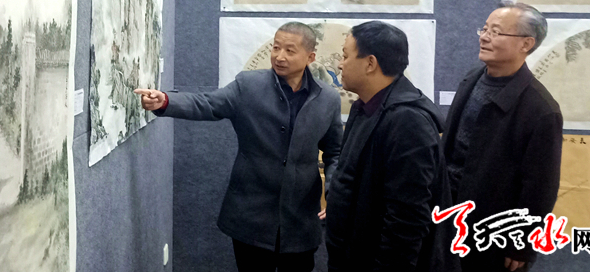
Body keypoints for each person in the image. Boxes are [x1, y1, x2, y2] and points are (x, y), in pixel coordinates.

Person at [135, 22, 343, 272]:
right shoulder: (249, 85)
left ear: (310, 57)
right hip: (251, 214)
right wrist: (166, 101)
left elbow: (335, 152)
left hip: (301, 219)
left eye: (289, 51)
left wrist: (334, 192)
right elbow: (208, 103)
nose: (279, 56)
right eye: (276, 48)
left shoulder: (328, 98)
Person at [442, 2, 562, 272]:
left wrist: (523, 244)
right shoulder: (471, 80)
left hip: (492, 228)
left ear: (526, 44)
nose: (484, 37)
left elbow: (541, 186)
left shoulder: (541, 109)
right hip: (448, 215)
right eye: (484, 29)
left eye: (496, 32)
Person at [325, 21, 451, 272]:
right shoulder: (365, 107)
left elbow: (406, 219)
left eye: (346, 56)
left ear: (370, 63)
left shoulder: (407, 122)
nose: (340, 64)